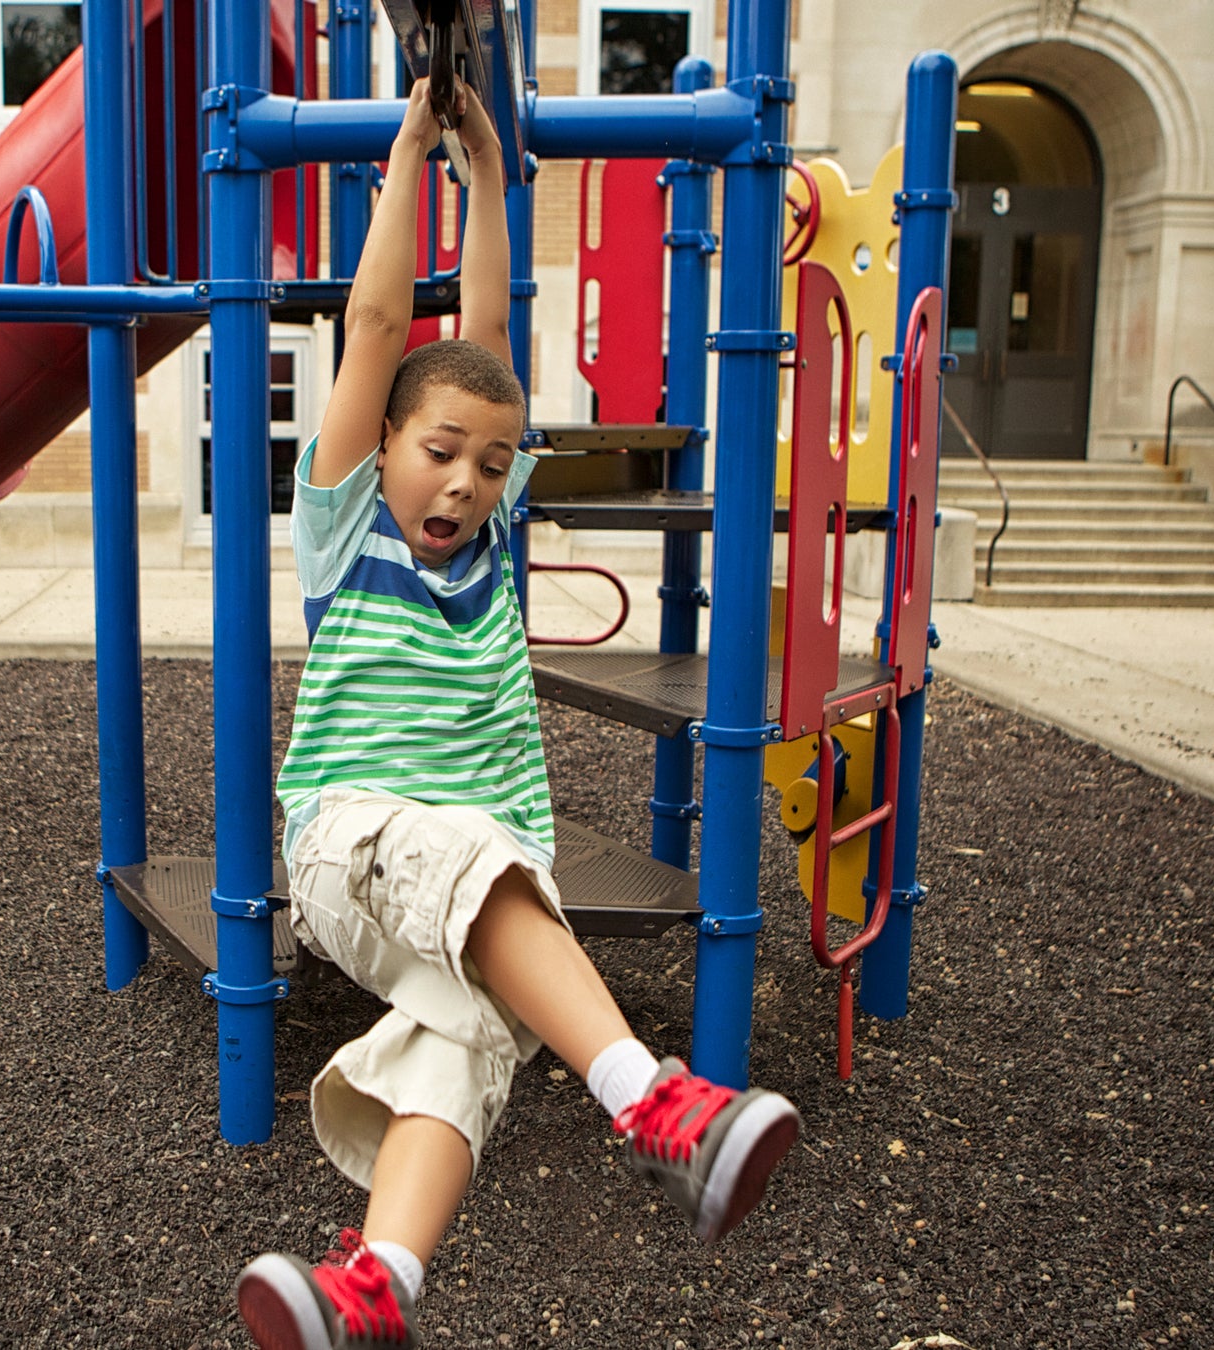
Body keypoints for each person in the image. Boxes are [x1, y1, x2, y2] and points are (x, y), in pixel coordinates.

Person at [231, 79, 802, 1350]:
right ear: (379, 446)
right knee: (485, 872)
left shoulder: (491, 545)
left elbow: (481, 335)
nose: (466, 479)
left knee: (461, 1036)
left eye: (493, 463)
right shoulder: (344, 523)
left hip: (480, 873)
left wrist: (489, 178)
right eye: (439, 450)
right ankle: (654, 1108)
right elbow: (385, 321)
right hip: (352, 844)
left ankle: (374, 1290)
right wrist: (408, 155)